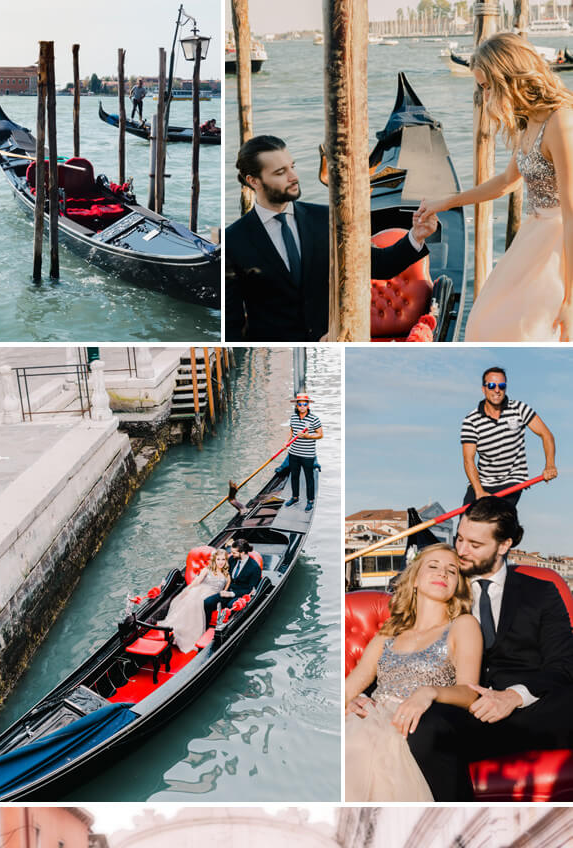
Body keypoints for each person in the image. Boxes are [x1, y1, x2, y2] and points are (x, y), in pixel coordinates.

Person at [406, 497, 573, 800]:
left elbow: (562, 666)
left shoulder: (541, 593)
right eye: (459, 538)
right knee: (426, 725)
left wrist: (513, 697)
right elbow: (403, 643)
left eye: (475, 544)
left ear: (504, 545)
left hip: (532, 714)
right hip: (467, 716)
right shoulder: (441, 586)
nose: (462, 551)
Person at [416, 34, 573, 341]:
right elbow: (504, 183)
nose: (485, 96)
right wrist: (444, 202)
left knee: (529, 332)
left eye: (487, 86)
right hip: (533, 236)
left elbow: (571, 214)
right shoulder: (530, 123)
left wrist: (570, 300)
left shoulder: (561, 124)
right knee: (485, 321)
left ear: (508, 78)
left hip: (559, 247)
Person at [225, 135, 438, 340]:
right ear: (254, 181)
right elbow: (231, 324)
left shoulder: (326, 219)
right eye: (281, 172)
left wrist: (416, 236)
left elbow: (379, 265)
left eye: (293, 166)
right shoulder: (233, 240)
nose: (294, 177)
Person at [344, 545, 483, 802]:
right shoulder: (390, 631)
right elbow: (354, 682)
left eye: (452, 570)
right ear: (415, 579)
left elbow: (469, 693)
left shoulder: (463, 625)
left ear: (458, 585)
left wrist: (429, 693)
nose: (442, 572)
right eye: (433, 566)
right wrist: (348, 703)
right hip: (371, 719)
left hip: (416, 724)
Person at [461, 365, 557, 512]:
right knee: (466, 523)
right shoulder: (471, 421)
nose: (497, 390)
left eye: (502, 386)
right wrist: (479, 491)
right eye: (492, 386)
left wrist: (550, 465)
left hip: (512, 481)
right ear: (483, 389)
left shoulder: (519, 409)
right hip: (482, 483)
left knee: (495, 521)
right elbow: (468, 459)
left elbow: (546, 435)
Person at [160, 548, 230, 651]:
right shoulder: (207, 570)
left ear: (226, 561)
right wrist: (187, 590)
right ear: (214, 560)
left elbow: (224, 591)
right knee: (191, 601)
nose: (220, 562)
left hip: (212, 596)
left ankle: (189, 635)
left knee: (199, 604)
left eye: (223, 559)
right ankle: (178, 633)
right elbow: (197, 582)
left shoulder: (227, 575)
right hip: (200, 591)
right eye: (218, 559)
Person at [203, 536, 262, 626]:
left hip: (239, 594)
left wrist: (232, 594)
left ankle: (225, 629)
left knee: (231, 605)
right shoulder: (232, 560)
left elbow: (249, 589)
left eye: (234, 553)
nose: (231, 554)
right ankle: (206, 626)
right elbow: (223, 574)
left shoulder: (255, 568)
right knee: (207, 602)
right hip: (226, 590)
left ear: (242, 552)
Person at [286, 392, 323, 512]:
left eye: (304, 404)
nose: (302, 406)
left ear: (308, 406)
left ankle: (310, 501)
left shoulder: (314, 419)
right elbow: (291, 432)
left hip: (307, 455)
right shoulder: (293, 417)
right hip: (294, 453)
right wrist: (286, 442)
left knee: (309, 478)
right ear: (297, 406)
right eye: (300, 404)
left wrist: (307, 436)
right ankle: (295, 497)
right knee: (294, 476)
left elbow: (320, 435)